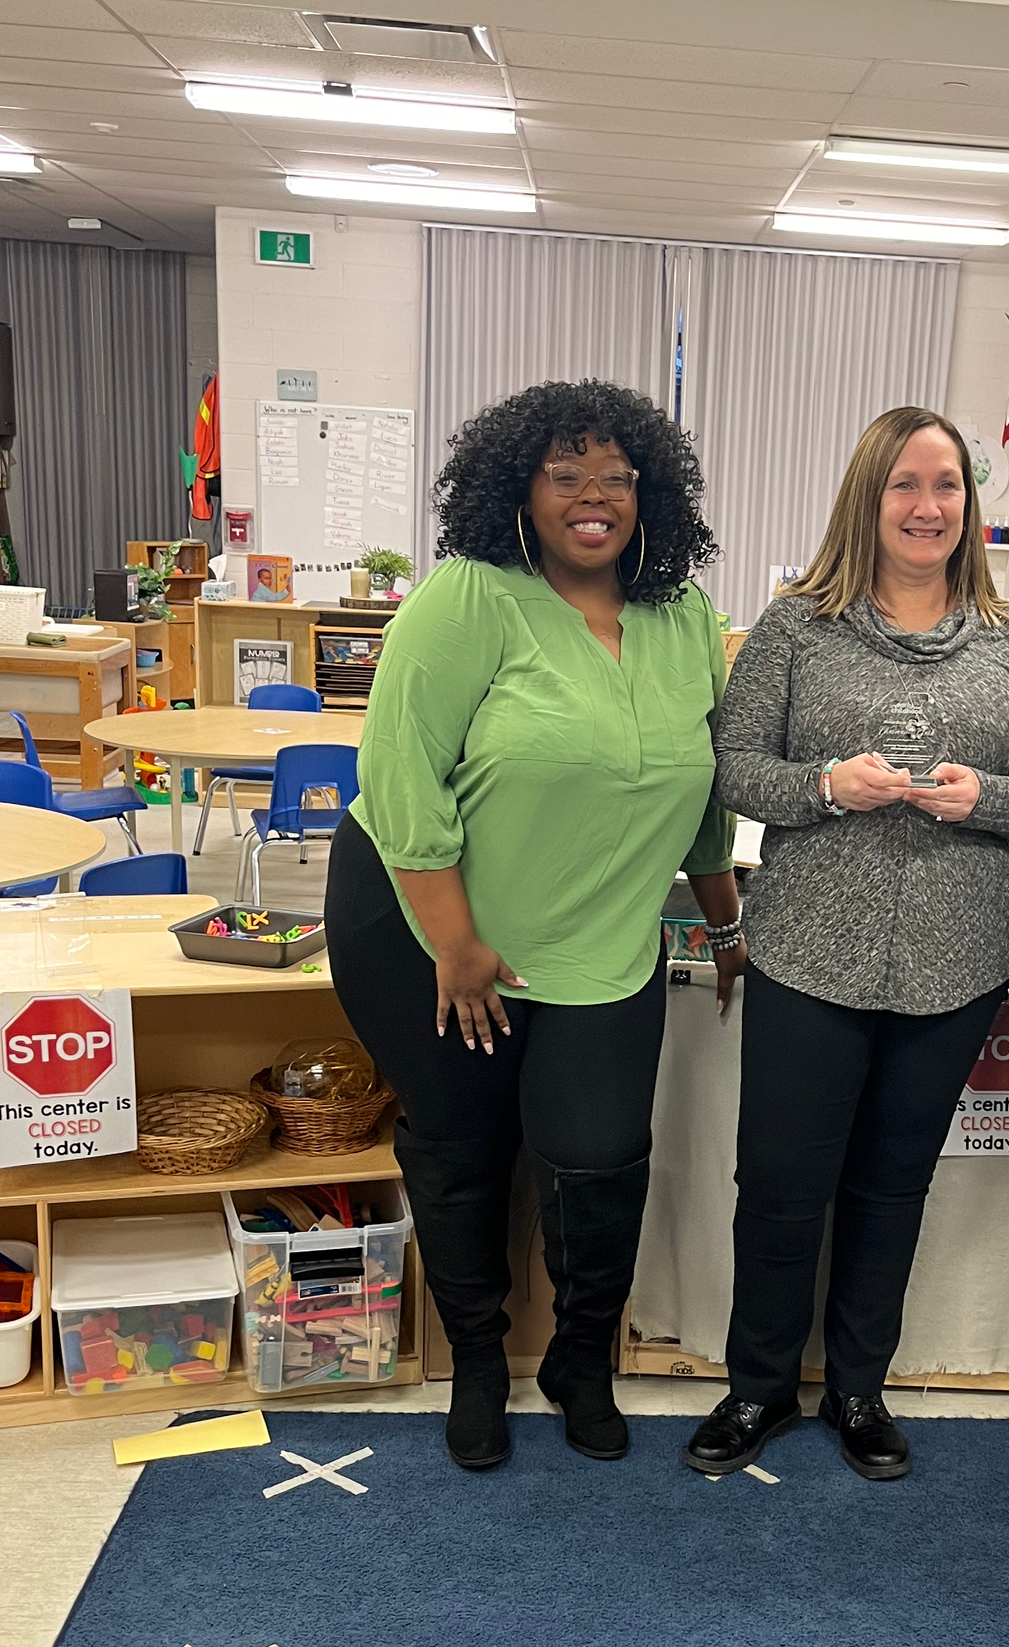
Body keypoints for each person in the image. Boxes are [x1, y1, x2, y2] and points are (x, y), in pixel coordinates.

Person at [325, 380, 746, 1471]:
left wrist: (724, 915)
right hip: (428, 928)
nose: (593, 497)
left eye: (617, 476)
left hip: (601, 939)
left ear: (651, 494)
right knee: (463, 1148)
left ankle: (578, 1359)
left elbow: (701, 788)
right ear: (520, 487)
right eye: (566, 474)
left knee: (601, 1158)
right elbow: (401, 775)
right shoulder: (468, 597)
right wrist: (458, 945)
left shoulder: (684, 616)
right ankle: (475, 1361)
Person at [685, 406, 1009, 1481]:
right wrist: (822, 786)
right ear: (869, 496)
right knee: (780, 1183)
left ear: (969, 506)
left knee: (893, 1185)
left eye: (946, 486)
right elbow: (731, 765)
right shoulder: (798, 626)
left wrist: (985, 797)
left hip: (953, 961)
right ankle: (758, 1388)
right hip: (810, 951)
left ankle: (859, 1389)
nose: (928, 506)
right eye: (906, 484)